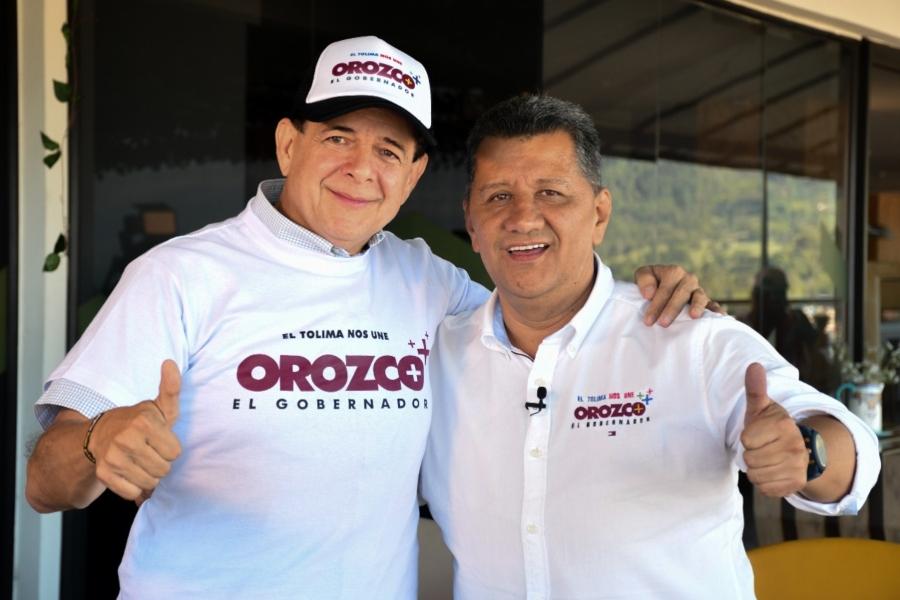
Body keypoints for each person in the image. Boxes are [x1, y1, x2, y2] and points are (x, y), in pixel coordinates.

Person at [25, 38, 711, 598]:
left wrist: (638, 295)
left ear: (412, 176)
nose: (361, 168)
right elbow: (43, 485)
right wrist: (95, 443)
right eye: (338, 137)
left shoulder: (427, 280)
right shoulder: (180, 275)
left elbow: (546, 315)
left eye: (388, 151)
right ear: (289, 144)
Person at [419, 95, 881, 599]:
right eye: (498, 196)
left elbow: (850, 453)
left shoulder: (689, 336)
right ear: (471, 222)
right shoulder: (431, 358)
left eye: (551, 193)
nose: (523, 218)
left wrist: (807, 452)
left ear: (599, 214)